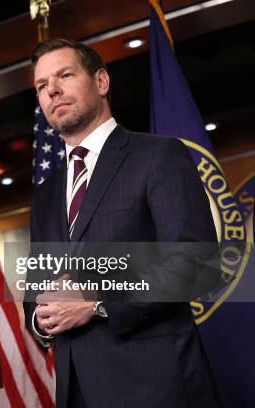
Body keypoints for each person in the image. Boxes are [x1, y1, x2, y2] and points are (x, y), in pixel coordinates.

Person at [23, 39, 219, 407]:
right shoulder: (45, 193)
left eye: (65, 74)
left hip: (157, 386)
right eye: (41, 85)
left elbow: (197, 264)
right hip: (76, 388)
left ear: (101, 82)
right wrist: (41, 318)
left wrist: (97, 303)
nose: (52, 90)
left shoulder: (158, 155)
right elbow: (37, 290)